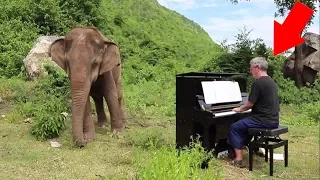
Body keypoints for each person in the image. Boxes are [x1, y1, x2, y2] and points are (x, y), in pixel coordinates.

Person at [227, 56, 280, 168]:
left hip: (262, 121)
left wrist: (239, 109)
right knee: (244, 125)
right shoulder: (271, 81)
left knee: (235, 127)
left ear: (257, 67)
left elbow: (250, 104)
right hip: (273, 120)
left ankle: (238, 159)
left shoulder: (258, 83)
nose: (251, 72)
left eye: (251, 69)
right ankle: (240, 148)